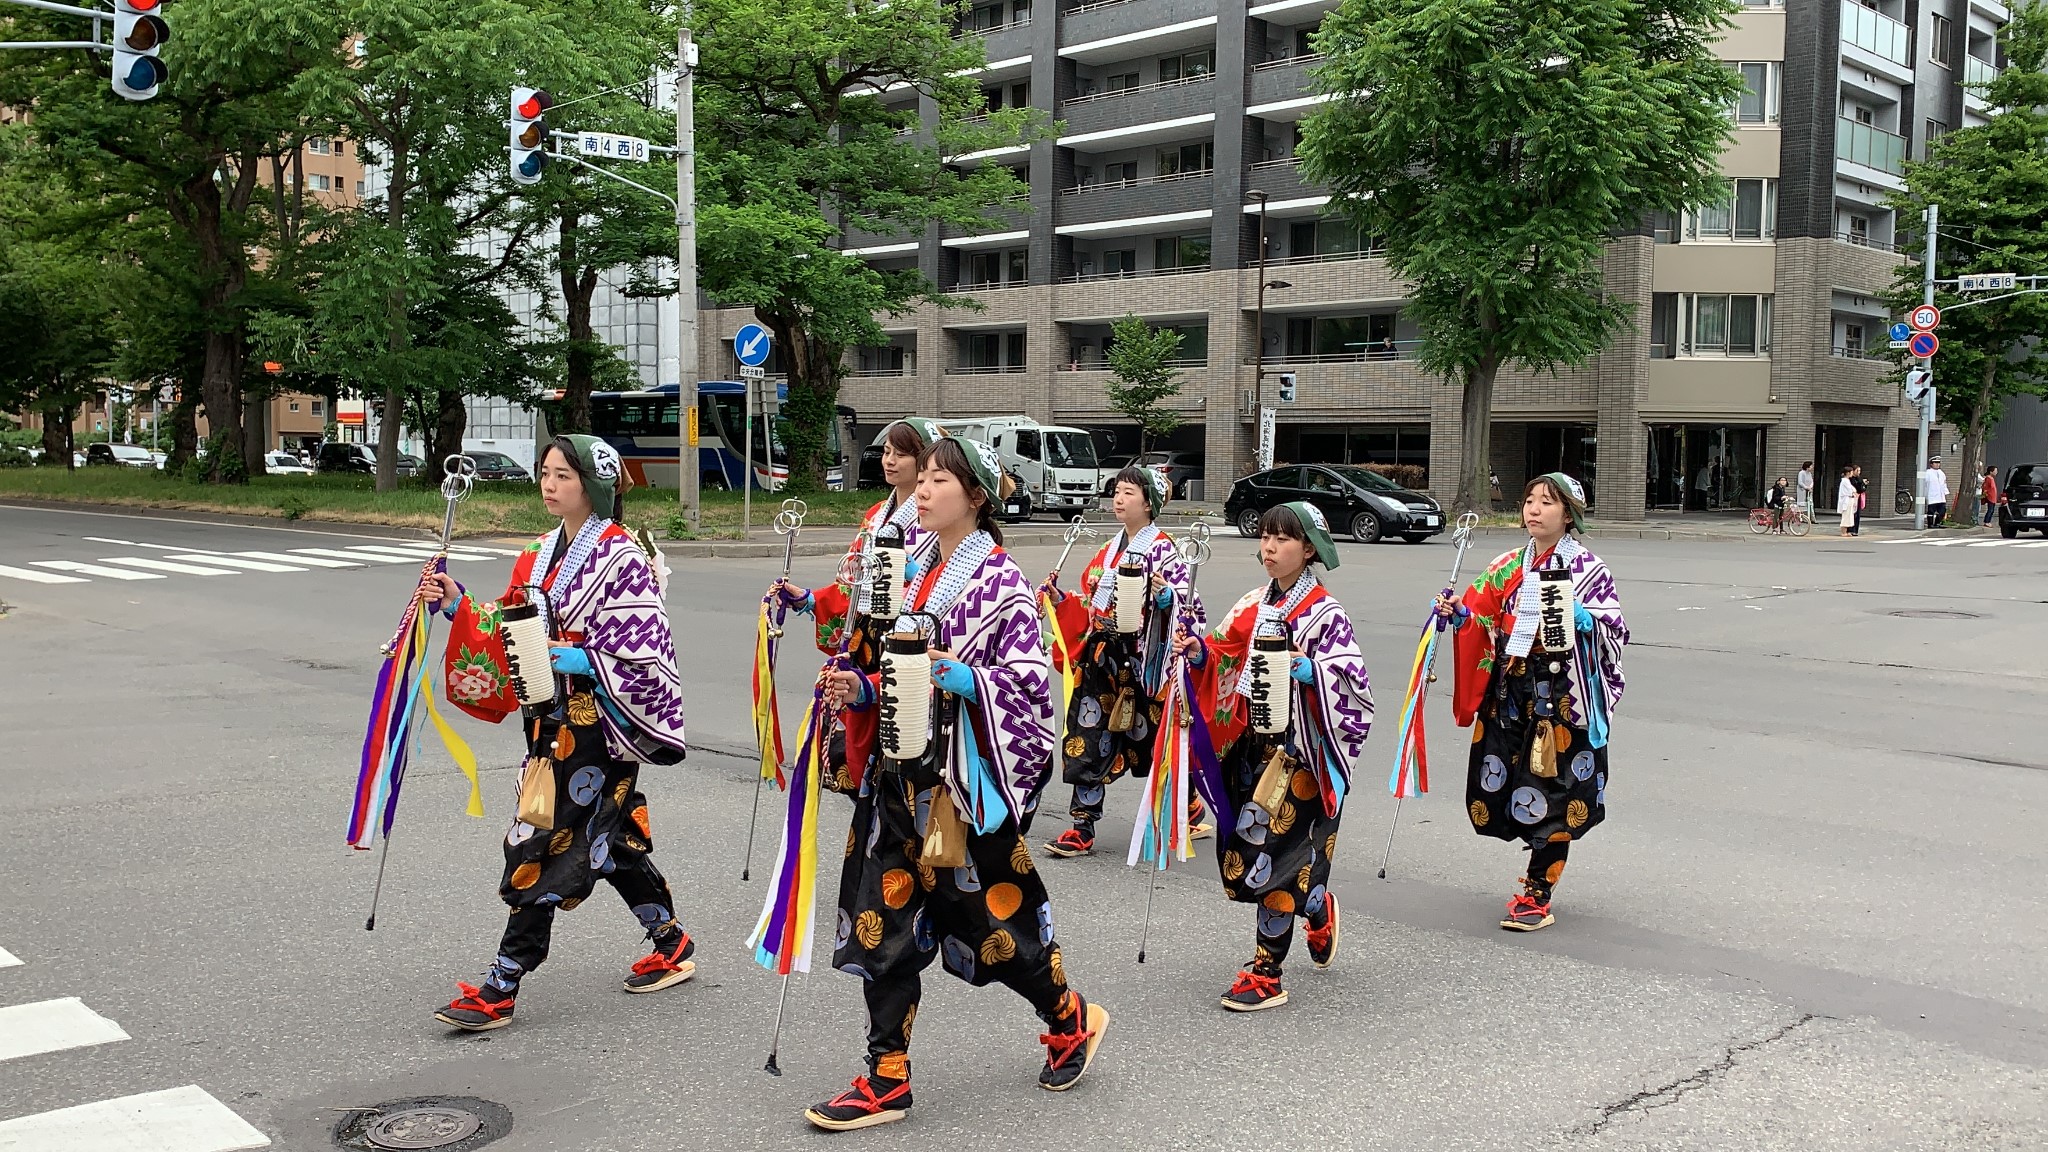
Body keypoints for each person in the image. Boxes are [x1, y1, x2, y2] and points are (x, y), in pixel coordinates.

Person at [805, 436, 1107, 1131]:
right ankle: (886, 1077)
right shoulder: (911, 573)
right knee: (882, 924)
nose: (924, 490)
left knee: (996, 925)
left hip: (958, 788)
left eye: (940, 480)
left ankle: (1067, 1015)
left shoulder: (1000, 580)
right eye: (924, 480)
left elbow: (1031, 689)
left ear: (975, 497)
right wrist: (860, 688)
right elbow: (899, 673)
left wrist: (969, 679)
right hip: (894, 782)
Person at [419, 435, 691, 1031]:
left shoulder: (623, 557)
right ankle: (669, 941)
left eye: (564, 475)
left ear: (595, 483)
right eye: (545, 473)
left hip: (601, 726)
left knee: (542, 839)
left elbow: (646, 648)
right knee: (608, 836)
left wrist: (586, 660)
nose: (550, 484)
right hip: (547, 718)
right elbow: (505, 620)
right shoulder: (538, 553)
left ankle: (502, 983)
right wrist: (457, 603)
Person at [1175, 502, 1373, 1011]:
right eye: (1265, 537)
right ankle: (1316, 906)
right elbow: (1222, 653)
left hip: (1300, 753)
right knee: (1245, 857)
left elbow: (1354, 687)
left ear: (1309, 549)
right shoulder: (1251, 604)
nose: (1269, 547)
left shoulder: (1327, 613)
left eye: (1283, 539)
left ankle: (1267, 971)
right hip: (1252, 748)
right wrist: (1199, 654)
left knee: (1279, 861)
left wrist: (1313, 673)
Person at [1434, 474, 1627, 932]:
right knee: (1504, 779)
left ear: (1568, 515)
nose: (1534, 510)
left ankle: (1538, 890)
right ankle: (1535, 867)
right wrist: (1459, 613)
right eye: (1529, 501)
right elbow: (1481, 617)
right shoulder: (1507, 565)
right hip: (1512, 690)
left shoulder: (1589, 569)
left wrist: (1586, 623)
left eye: (1547, 502)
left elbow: (1614, 632)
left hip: (1562, 696)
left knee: (1555, 788)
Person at [1040, 465, 1209, 858]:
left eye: (1129, 492)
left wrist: (1166, 601)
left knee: (1154, 740)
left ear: (1149, 502)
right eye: (1116, 491)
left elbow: (1190, 606)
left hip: (1145, 661)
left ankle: (1189, 802)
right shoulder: (1107, 549)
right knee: (1088, 735)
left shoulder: (1164, 549)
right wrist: (1062, 599)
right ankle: (1082, 825)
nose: (1119, 498)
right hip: (1102, 658)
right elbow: (1090, 602)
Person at [776, 417, 942, 794]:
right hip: (864, 635)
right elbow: (853, 578)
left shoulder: (933, 516)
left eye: (902, 454)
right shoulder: (874, 515)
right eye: (886, 451)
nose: (890, 461)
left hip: (903, 636)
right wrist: (812, 599)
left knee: (895, 735)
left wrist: (906, 571)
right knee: (849, 740)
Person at [1923, 456, 1950, 528]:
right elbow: (1924, 484)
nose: (1937, 464)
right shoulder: (1928, 473)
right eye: (1935, 463)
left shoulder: (1941, 473)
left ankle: (1937, 523)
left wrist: (1945, 492)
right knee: (1931, 511)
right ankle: (1930, 524)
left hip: (1941, 496)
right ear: (1931, 464)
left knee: (1942, 511)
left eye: (1938, 463)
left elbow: (1944, 483)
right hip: (1932, 495)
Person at [1837, 467, 1858, 537]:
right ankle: (1843, 532)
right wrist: (1853, 493)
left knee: (1849, 516)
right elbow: (1850, 491)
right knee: (1846, 516)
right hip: (1847, 500)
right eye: (1851, 472)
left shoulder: (1847, 481)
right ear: (1848, 473)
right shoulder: (1845, 481)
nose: (1852, 474)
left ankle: (1846, 531)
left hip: (1849, 500)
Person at [1851, 465, 1868, 535]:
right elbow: (1857, 488)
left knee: (1857, 514)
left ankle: (1855, 530)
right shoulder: (1851, 479)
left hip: (1858, 498)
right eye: (1857, 470)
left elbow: (1862, 489)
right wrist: (1862, 483)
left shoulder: (1858, 479)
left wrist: (1864, 484)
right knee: (1853, 514)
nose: (1859, 472)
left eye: (1859, 471)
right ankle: (1851, 529)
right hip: (1853, 498)